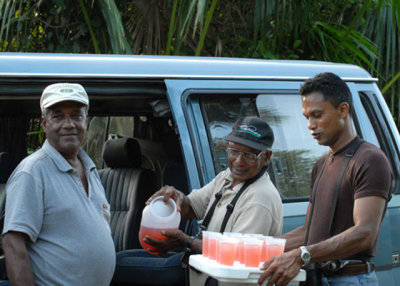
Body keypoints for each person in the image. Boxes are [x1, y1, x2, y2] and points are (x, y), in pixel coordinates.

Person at [258, 72, 393, 286]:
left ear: (343, 110)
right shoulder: (321, 164)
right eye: (307, 117)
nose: (310, 125)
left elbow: (365, 232)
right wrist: (260, 246)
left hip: (351, 279)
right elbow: (309, 233)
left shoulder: (370, 159)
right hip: (318, 278)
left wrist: (301, 255)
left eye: (317, 115)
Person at [113, 116, 283, 285]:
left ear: (266, 157)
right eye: (234, 151)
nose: (238, 161)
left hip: (215, 278)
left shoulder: (261, 197)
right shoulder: (226, 178)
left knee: (116, 266)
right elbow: (190, 208)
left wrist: (186, 241)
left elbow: (236, 256)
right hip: (199, 265)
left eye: (249, 155)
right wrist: (176, 198)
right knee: (120, 257)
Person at [2, 83, 116, 286]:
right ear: (45, 123)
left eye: (76, 115)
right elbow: (13, 243)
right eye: (58, 116)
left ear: (86, 121)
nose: (69, 124)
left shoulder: (91, 169)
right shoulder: (32, 172)